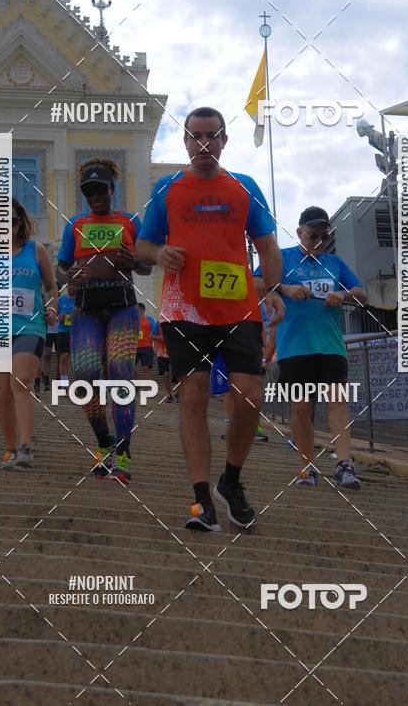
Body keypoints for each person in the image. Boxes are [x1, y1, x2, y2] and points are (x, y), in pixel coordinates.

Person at [136, 106, 284, 531]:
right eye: (195, 135)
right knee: (195, 395)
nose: (203, 144)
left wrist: (271, 289)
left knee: (250, 395)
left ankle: (230, 481)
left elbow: (268, 246)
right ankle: (202, 500)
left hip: (239, 306)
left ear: (223, 140)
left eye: (211, 135)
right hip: (184, 307)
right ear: (184, 140)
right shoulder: (167, 189)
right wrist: (159, 253)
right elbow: (143, 247)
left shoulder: (244, 188)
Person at [254, 206, 367, 489]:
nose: (318, 240)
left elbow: (362, 294)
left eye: (323, 236)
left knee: (337, 401)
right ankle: (308, 465)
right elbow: (255, 283)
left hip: (331, 346)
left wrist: (342, 294)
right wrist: (285, 289)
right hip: (295, 348)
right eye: (312, 235)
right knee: (302, 407)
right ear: (300, 232)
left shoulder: (335, 263)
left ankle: (344, 463)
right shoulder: (283, 258)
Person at [56, 158, 151, 484]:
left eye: (101, 189)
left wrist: (134, 261)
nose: (95, 195)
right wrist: (68, 275)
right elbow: (61, 268)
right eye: (89, 190)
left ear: (113, 189)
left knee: (121, 372)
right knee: (83, 377)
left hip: (122, 307)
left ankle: (123, 451)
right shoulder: (76, 224)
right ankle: (103, 442)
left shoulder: (130, 221)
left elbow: (145, 268)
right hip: (85, 309)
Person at [0, 197, 58, 469]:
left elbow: (51, 287)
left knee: (21, 382)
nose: (7, 227)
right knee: (3, 392)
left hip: (30, 326)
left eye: (12, 221)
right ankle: (10, 448)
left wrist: (52, 308)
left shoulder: (36, 250)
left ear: (21, 223)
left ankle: (26, 446)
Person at [151, 321, 177, 402]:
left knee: (178, 374)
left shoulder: (176, 322)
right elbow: (151, 336)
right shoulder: (158, 323)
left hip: (175, 352)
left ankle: (178, 393)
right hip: (161, 353)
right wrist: (162, 338)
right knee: (165, 374)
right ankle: (169, 395)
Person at [56, 285, 75, 384]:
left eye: (74, 285)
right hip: (63, 332)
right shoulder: (60, 300)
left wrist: (67, 317)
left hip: (77, 332)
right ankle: (64, 385)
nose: (71, 287)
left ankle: (79, 385)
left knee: (76, 359)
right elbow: (55, 317)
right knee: (64, 357)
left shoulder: (80, 299)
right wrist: (59, 317)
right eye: (70, 285)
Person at [136, 303, 157, 380]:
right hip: (135, 347)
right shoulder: (133, 319)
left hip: (147, 346)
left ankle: (146, 386)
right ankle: (135, 385)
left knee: (146, 367)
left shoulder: (149, 319)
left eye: (138, 309)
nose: (137, 311)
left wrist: (155, 347)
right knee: (131, 367)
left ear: (143, 310)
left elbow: (154, 330)